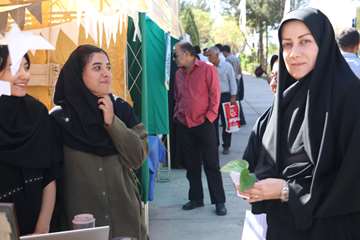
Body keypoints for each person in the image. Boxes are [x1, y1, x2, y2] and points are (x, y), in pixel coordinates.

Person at [240, 8, 360, 239]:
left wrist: (288, 191)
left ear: (324, 44)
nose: (293, 53)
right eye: (287, 44)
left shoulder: (350, 98)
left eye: (305, 41)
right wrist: (250, 183)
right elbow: (259, 156)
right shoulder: (284, 101)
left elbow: (352, 181)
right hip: (282, 228)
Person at [51, 45, 148, 239]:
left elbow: (138, 157)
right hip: (81, 225)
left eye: (108, 67)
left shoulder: (121, 109)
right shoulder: (58, 120)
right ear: (79, 74)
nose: (106, 74)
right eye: (97, 68)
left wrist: (113, 122)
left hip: (125, 222)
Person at [0, 45, 59, 235]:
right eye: (14, 68)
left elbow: (49, 175)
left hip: (36, 226)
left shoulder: (37, 113)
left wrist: (42, 227)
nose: (25, 75)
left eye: (26, 67)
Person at [173, 41, 227, 216]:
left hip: (204, 124)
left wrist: (209, 118)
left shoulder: (207, 69)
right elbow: (177, 96)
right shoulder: (178, 74)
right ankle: (196, 199)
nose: (175, 58)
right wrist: (178, 114)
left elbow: (215, 95)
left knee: (212, 164)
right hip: (185, 125)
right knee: (191, 165)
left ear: (188, 54)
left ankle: (219, 201)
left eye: (177, 55)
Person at [207, 46, 237, 155]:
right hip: (212, 98)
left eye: (210, 56)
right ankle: (214, 144)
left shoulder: (227, 66)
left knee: (227, 123)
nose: (208, 58)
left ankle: (226, 145)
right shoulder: (208, 67)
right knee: (212, 122)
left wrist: (233, 96)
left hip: (225, 97)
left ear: (217, 55)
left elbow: (232, 81)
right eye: (208, 56)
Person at [222, 44, 247, 125]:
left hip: (232, 80)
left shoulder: (227, 60)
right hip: (237, 79)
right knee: (237, 100)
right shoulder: (235, 58)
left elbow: (229, 73)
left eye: (223, 52)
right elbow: (240, 69)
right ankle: (241, 119)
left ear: (225, 51)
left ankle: (237, 119)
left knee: (233, 101)